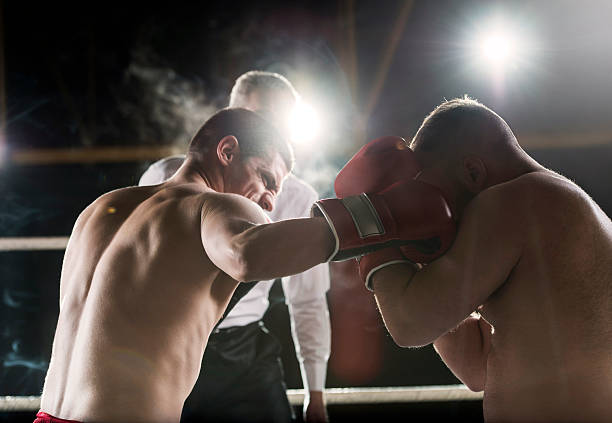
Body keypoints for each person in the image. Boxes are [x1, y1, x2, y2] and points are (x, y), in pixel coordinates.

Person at [36, 108, 337, 423]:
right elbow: (245, 254)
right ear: (228, 151)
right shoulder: (213, 206)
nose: (270, 202)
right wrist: (361, 221)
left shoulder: (99, 209)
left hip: (48, 415)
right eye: (266, 179)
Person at [343, 97, 612, 422]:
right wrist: (425, 258)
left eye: (431, 194)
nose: (426, 209)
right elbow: (477, 368)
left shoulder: (515, 200)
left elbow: (410, 325)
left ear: (472, 172)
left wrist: (373, 224)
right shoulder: (561, 210)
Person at [139, 71, 331, 423]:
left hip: (246, 353)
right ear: (230, 119)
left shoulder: (296, 196)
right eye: (259, 116)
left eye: (280, 122)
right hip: (171, 347)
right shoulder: (162, 180)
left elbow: (307, 300)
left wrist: (315, 392)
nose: (270, 128)